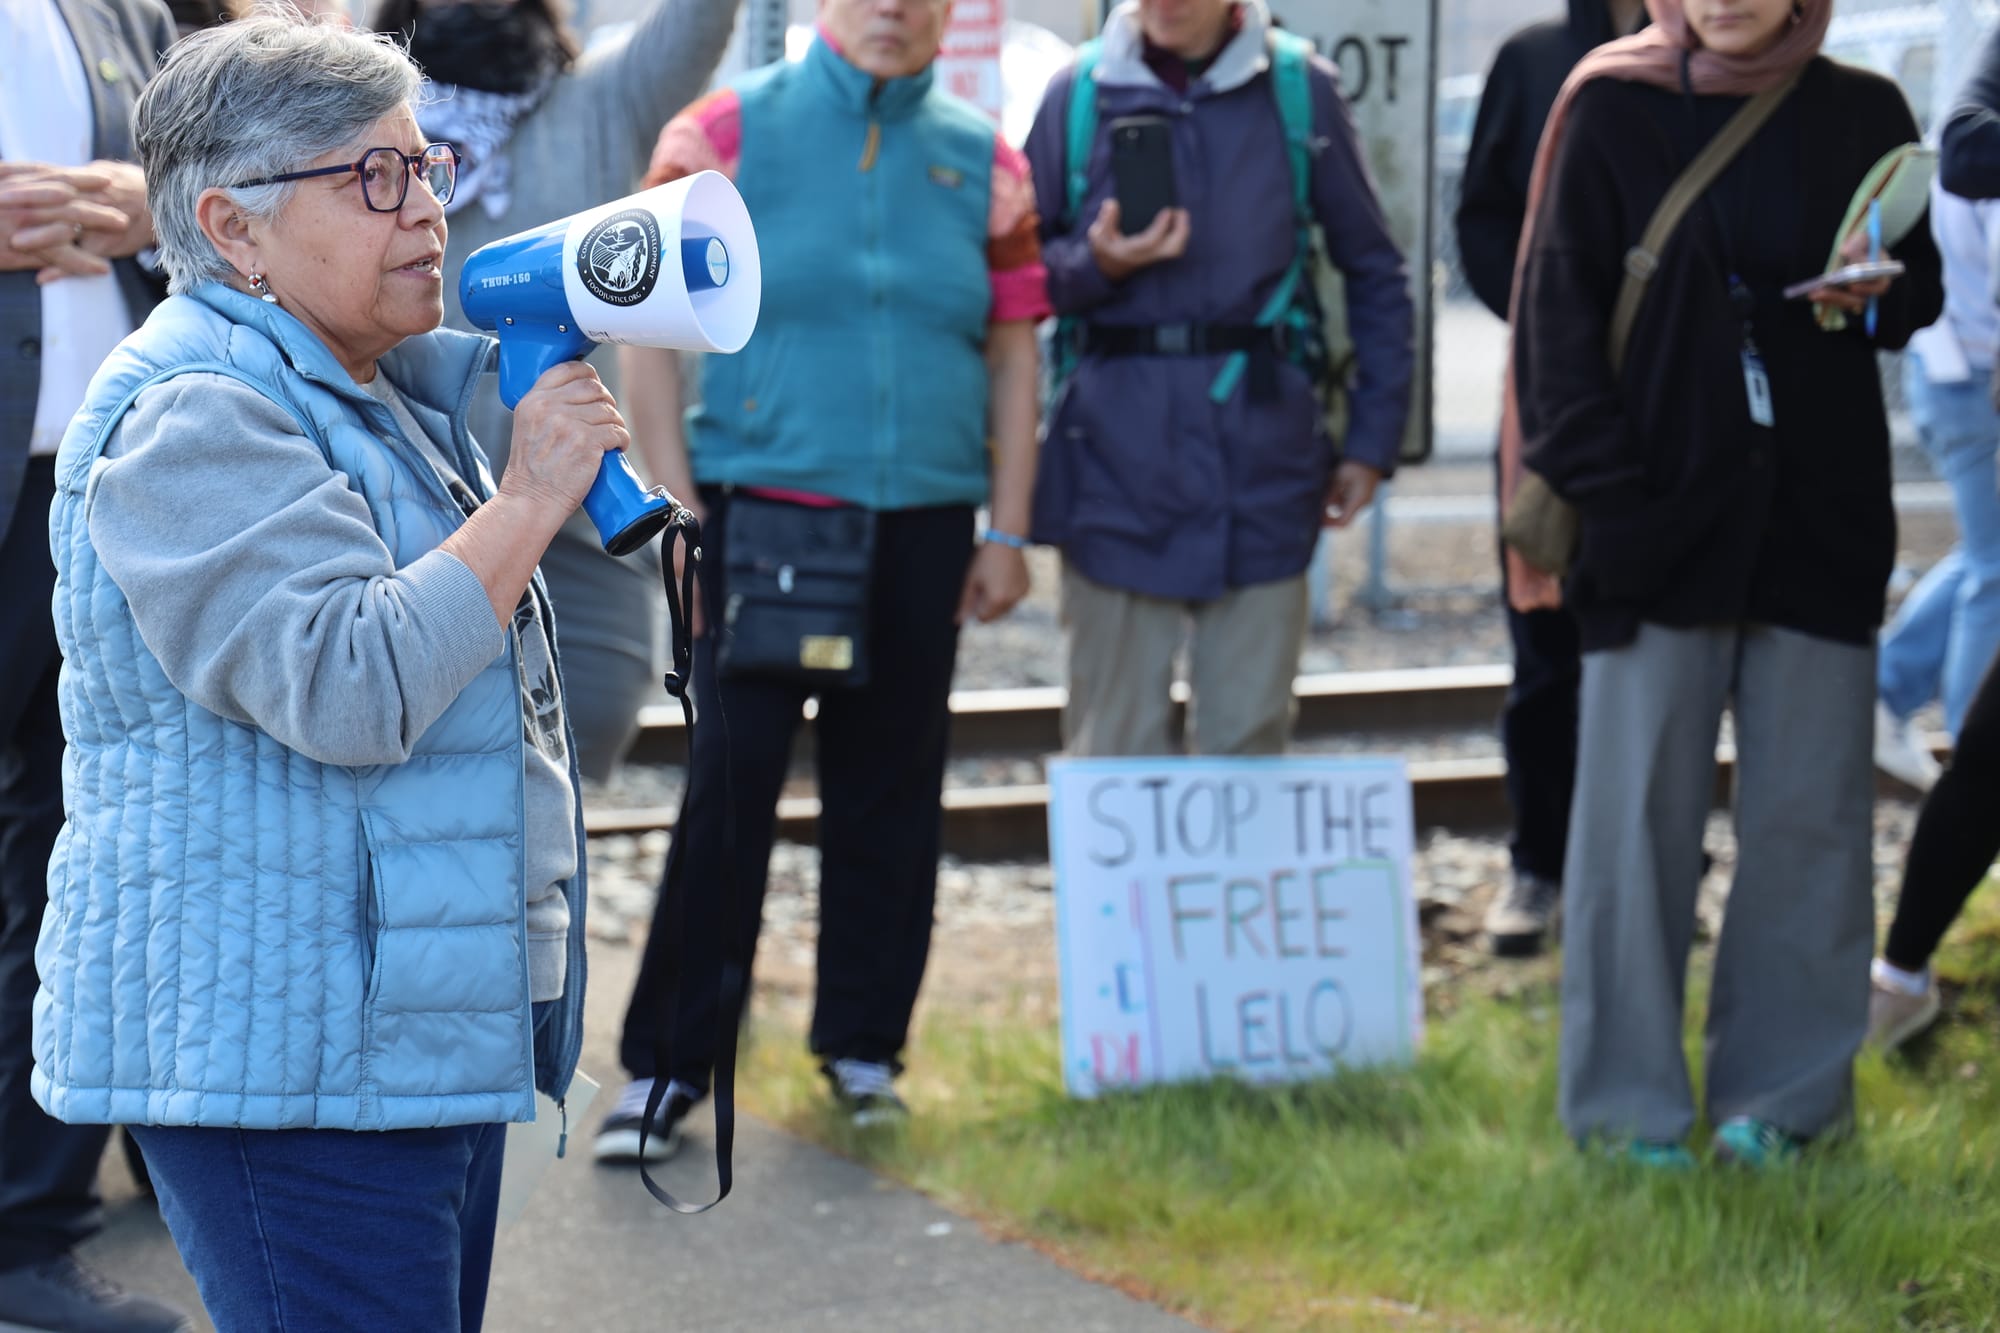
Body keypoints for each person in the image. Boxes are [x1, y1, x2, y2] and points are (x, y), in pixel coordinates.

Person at [32, 16, 621, 1327]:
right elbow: (350, 684)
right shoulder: (192, 413)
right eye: (373, 178)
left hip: (392, 1043)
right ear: (232, 229)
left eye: (427, 168)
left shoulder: (370, 389)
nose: (423, 211)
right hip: (292, 1069)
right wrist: (527, 496)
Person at [596, 0, 1046, 1157]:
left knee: (893, 786)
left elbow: (1010, 352)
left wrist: (1009, 530)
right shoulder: (720, 137)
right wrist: (676, 514)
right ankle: (663, 1072)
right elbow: (643, 330)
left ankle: (862, 1053)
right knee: (728, 794)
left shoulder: (983, 160)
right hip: (760, 518)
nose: (894, 9)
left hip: (925, 522)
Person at [1511, 0, 1942, 1169]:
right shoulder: (1610, 103)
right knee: (1629, 833)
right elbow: (1553, 324)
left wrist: (1873, 291)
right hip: (1650, 524)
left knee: (1808, 824)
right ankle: (1622, 1115)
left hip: (1817, 519)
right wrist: (1616, 497)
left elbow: (1917, 294)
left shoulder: (1862, 108)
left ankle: (1785, 1107)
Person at [1022, 0, 1413, 761]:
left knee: (1247, 748)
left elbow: (1375, 271)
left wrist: (1372, 440)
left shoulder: (1300, 89)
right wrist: (1097, 265)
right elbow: (1016, 279)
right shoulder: (1075, 95)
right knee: (1114, 749)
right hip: (1111, 462)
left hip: (1263, 458)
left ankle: (1227, 890)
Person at [372, 0, 740, 781]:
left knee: (591, 716)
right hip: (396, 501)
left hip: (572, 518)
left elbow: (699, 24)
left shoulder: (605, 102)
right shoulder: (371, 129)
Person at [0, 1, 198, 1329]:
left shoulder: (128, 5)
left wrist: (158, 201)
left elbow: (236, 189)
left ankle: (23, 1233)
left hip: (95, 487)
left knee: (83, 861)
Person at [1454, 0, 1646, 958]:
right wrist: (1549, 312)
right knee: (1545, 641)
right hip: (1550, 390)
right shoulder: (1533, 60)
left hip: (1674, 400)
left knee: (1664, 648)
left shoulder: (1710, 59)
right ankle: (1539, 863)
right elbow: (1482, 218)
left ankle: (1656, 865)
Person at [1872, 185, 2000, 792]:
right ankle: (1975, 769)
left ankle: (1889, 689)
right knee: (1994, 568)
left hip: (1952, 368)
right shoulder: (1982, 129)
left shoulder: (1968, 118)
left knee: (1986, 556)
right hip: (1973, 379)